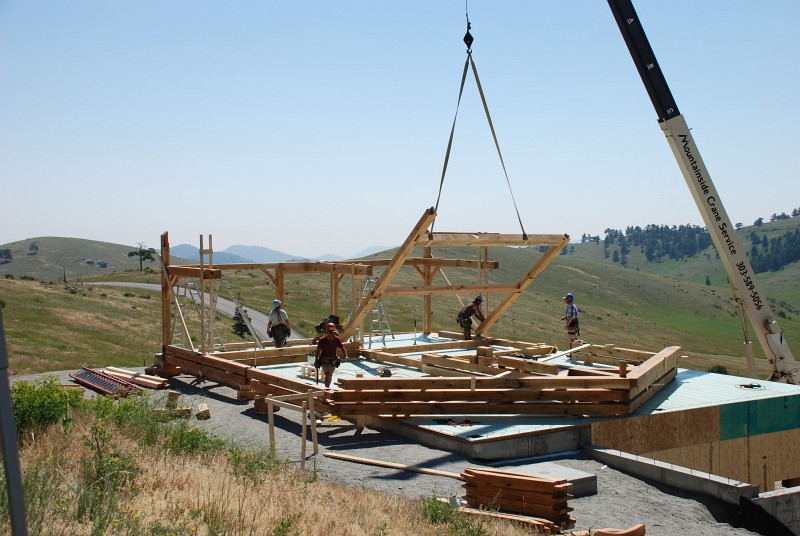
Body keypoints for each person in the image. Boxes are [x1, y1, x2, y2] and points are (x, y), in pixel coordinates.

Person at [314, 323, 347, 388]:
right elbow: (318, 350)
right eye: (330, 332)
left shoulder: (337, 340)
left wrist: (346, 356)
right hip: (324, 360)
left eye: (333, 332)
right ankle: (327, 388)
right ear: (327, 332)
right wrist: (316, 360)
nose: (331, 334)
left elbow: (342, 348)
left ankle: (327, 387)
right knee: (328, 374)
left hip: (333, 360)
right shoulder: (322, 340)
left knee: (330, 375)